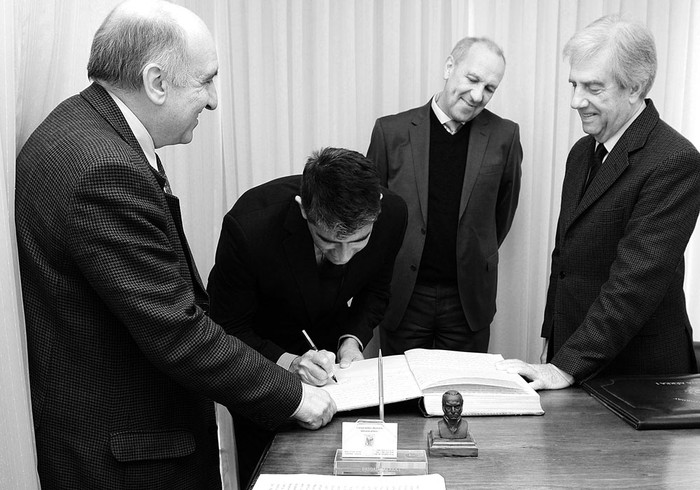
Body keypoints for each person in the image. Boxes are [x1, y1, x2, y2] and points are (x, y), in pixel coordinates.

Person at [14, 2, 335, 488]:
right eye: (206, 80)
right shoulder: (105, 168)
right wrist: (293, 395)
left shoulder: (81, 128)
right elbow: (176, 332)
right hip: (129, 457)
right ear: (156, 82)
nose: (213, 101)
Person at [497, 15, 700, 390]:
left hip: (637, 373)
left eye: (593, 87)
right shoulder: (581, 151)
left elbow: (634, 282)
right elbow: (566, 258)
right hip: (575, 356)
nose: (576, 101)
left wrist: (566, 365)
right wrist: (552, 340)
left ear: (635, 87)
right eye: (574, 84)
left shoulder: (674, 159)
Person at [207, 146, 408, 487]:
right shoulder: (250, 226)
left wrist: (351, 342)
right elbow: (227, 325)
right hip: (264, 361)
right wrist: (289, 363)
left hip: (333, 366)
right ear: (304, 211)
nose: (343, 257)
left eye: (358, 243)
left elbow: (375, 290)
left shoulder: (393, 214)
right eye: (329, 243)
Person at [366, 37, 522, 355]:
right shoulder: (390, 132)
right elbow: (370, 215)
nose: (478, 96)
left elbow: (500, 217)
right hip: (403, 297)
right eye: (473, 79)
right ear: (450, 67)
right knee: (403, 400)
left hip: (468, 301)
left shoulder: (505, 136)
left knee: (464, 398)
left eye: (490, 88)